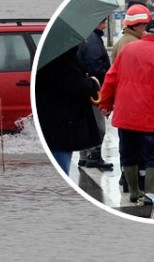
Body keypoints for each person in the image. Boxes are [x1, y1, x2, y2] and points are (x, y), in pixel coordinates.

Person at [98, 19, 154, 204]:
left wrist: (106, 104)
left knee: (129, 153)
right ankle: (150, 194)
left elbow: (111, 78)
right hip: (151, 115)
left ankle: (133, 192)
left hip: (126, 115)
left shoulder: (128, 50)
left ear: (146, 32)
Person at [35, 46, 101, 175]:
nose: (85, 41)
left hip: (54, 118)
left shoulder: (51, 54)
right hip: (61, 122)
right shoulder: (61, 58)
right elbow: (75, 85)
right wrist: (93, 83)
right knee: (61, 163)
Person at [77, 18, 113, 170]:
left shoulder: (86, 36)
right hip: (94, 87)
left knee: (86, 122)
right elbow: (95, 64)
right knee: (97, 125)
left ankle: (84, 156)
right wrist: (105, 80)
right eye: (102, 21)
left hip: (85, 86)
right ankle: (94, 156)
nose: (105, 24)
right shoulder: (92, 39)